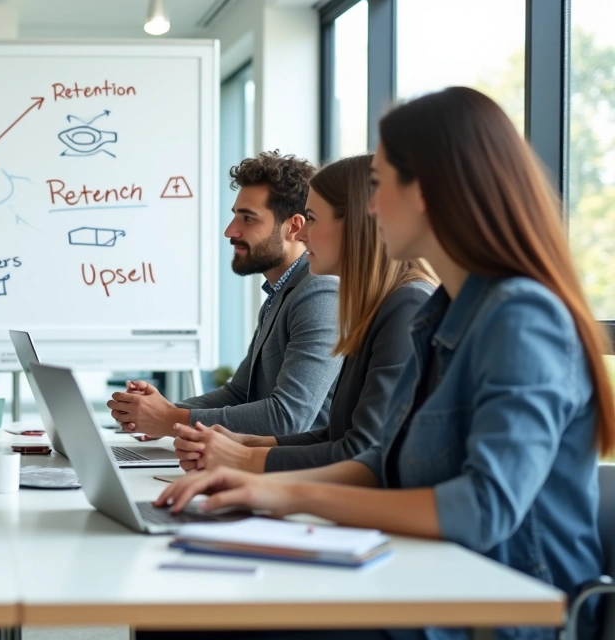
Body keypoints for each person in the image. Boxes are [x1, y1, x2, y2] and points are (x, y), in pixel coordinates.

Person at [148, 87, 614, 640]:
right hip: (427, 576)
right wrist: (255, 486)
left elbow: (482, 509)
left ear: (429, 193)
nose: (371, 208)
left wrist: (284, 489)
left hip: (499, 610)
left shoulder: (521, 319)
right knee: (183, 607)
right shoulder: (439, 317)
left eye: (381, 185)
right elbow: (380, 462)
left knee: (192, 621)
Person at [172, 155, 435, 473]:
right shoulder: (375, 305)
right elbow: (339, 435)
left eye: (312, 218)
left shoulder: (406, 306)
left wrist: (244, 459)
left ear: (354, 224)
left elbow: (363, 453)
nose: (300, 234)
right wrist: (248, 444)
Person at [109, 151, 342, 438]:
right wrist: (158, 411)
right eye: (235, 216)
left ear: (293, 227)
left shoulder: (320, 293)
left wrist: (169, 418)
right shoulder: (281, 292)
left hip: (295, 474)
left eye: (248, 219)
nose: (230, 231)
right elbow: (239, 393)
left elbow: (287, 418)